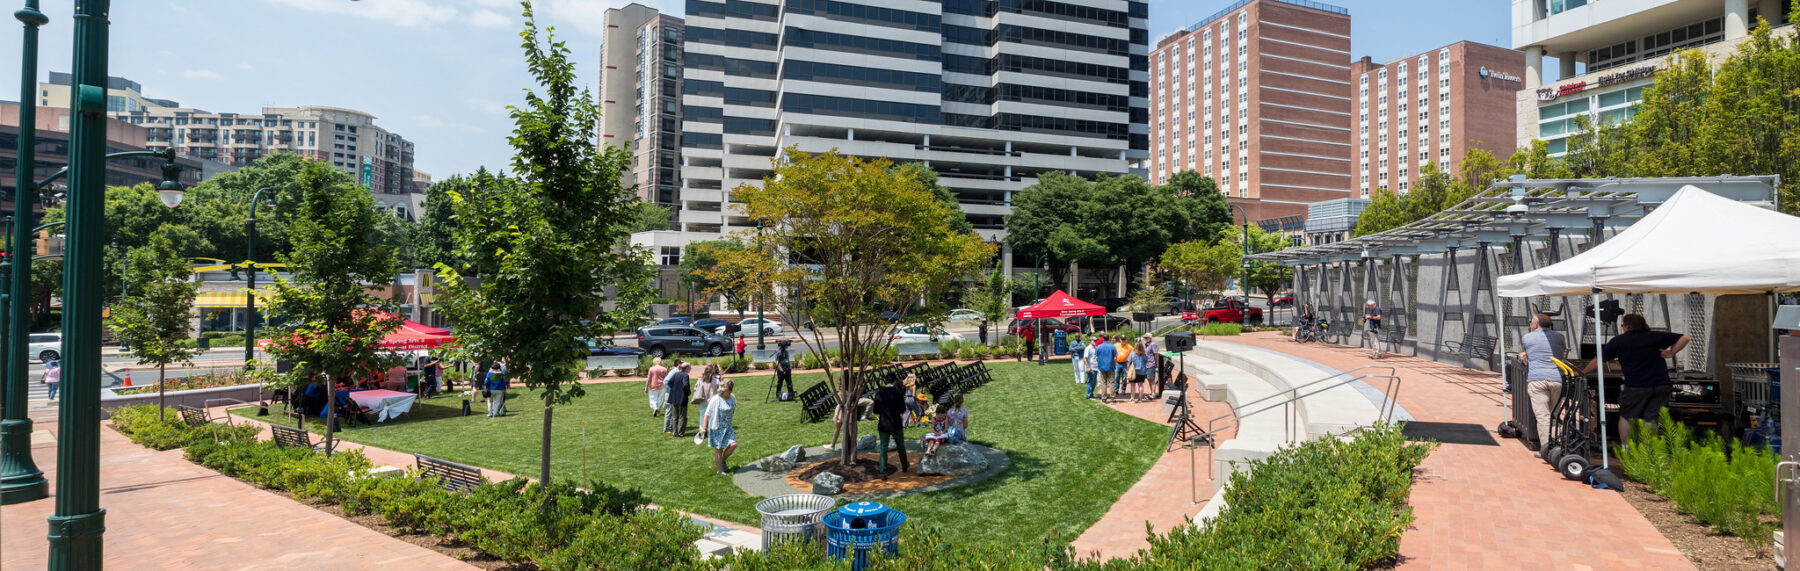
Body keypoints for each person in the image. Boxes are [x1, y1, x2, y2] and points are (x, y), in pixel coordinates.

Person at [1581, 313, 1689, 442]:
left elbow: (1599, 360)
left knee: (1627, 417)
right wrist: (1671, 352)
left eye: (1623, 325)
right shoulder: (1656, 336)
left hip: (1636, 386)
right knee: (1651, 418)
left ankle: (1628, 450)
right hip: (1661, 385)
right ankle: (1648, 452)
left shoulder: (1619, 340)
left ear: (1627, 326)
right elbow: (1685, 338)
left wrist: (1582, 372)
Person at [1519, 313, 1566, 455]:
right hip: (1557, 378)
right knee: (1555, 414)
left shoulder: (1527, 337)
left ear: (1535, 324)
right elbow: (1560, 351)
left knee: (1543, 416)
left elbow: (1528, 351)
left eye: (1530, 322)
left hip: (1537, 379)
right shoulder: (1560, 337)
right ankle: (1558, 446)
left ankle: (1547, 450)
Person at [871, 373, 911, 478]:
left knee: (883, 448)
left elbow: (875, 410)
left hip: (884, 424)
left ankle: (883, 471)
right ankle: (904, 465)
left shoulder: (879, 394)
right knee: (900, 446)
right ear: (894, 381)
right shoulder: (898, 393)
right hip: (896, 423)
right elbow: (902, 409)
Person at [700, 378, 738, 475]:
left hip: (728, 427)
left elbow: (733, 408)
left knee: (733, 444)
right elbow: (707, 414)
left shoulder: (732, 397)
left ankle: (722, 461)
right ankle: (719, 470)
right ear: (723, 390)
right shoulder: (716, 399)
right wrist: (704, 427)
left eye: (731, 390)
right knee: (719, 449)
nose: (730, 392)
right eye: (728, 390)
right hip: (717, 428)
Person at [664, 362, 692, 436]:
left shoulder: (676, 374)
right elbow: (685, 385)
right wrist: (688, 392)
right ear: (686, 368)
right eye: (690, 368)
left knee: (674, 416)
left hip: (674, 397)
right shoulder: (685, 375)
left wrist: (674, 389)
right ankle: (680, 433)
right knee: (682, 416)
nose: (690, 369)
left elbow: (669, 382)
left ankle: (674, 432)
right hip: (682, 397)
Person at [1093, 335, 1118, 403]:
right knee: (1112, 383)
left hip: (1102, 367)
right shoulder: (1112, 346)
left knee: (1103, 383)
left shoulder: (1099, 347)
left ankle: (1104, 399)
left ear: (1103, 339)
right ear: (1109, 338)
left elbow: (1096, 357)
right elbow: (1115, 358)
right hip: (1111, 366)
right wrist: (1114, 365)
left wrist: (1100, 363)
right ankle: (1113, 399)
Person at [1112, 337, 1133, 402]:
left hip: (1125, 363)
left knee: (1124, 377)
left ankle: (1123, 390)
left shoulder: (1129, 347)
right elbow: (1112, 353)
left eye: (1124, 339)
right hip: (1118, 363)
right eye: (1122, 339)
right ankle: (1116, 390)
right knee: (1116, 377)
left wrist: (1130, 362)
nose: (1123, 340)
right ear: (1120, 340)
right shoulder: (1116, 346)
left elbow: (1133, 353)